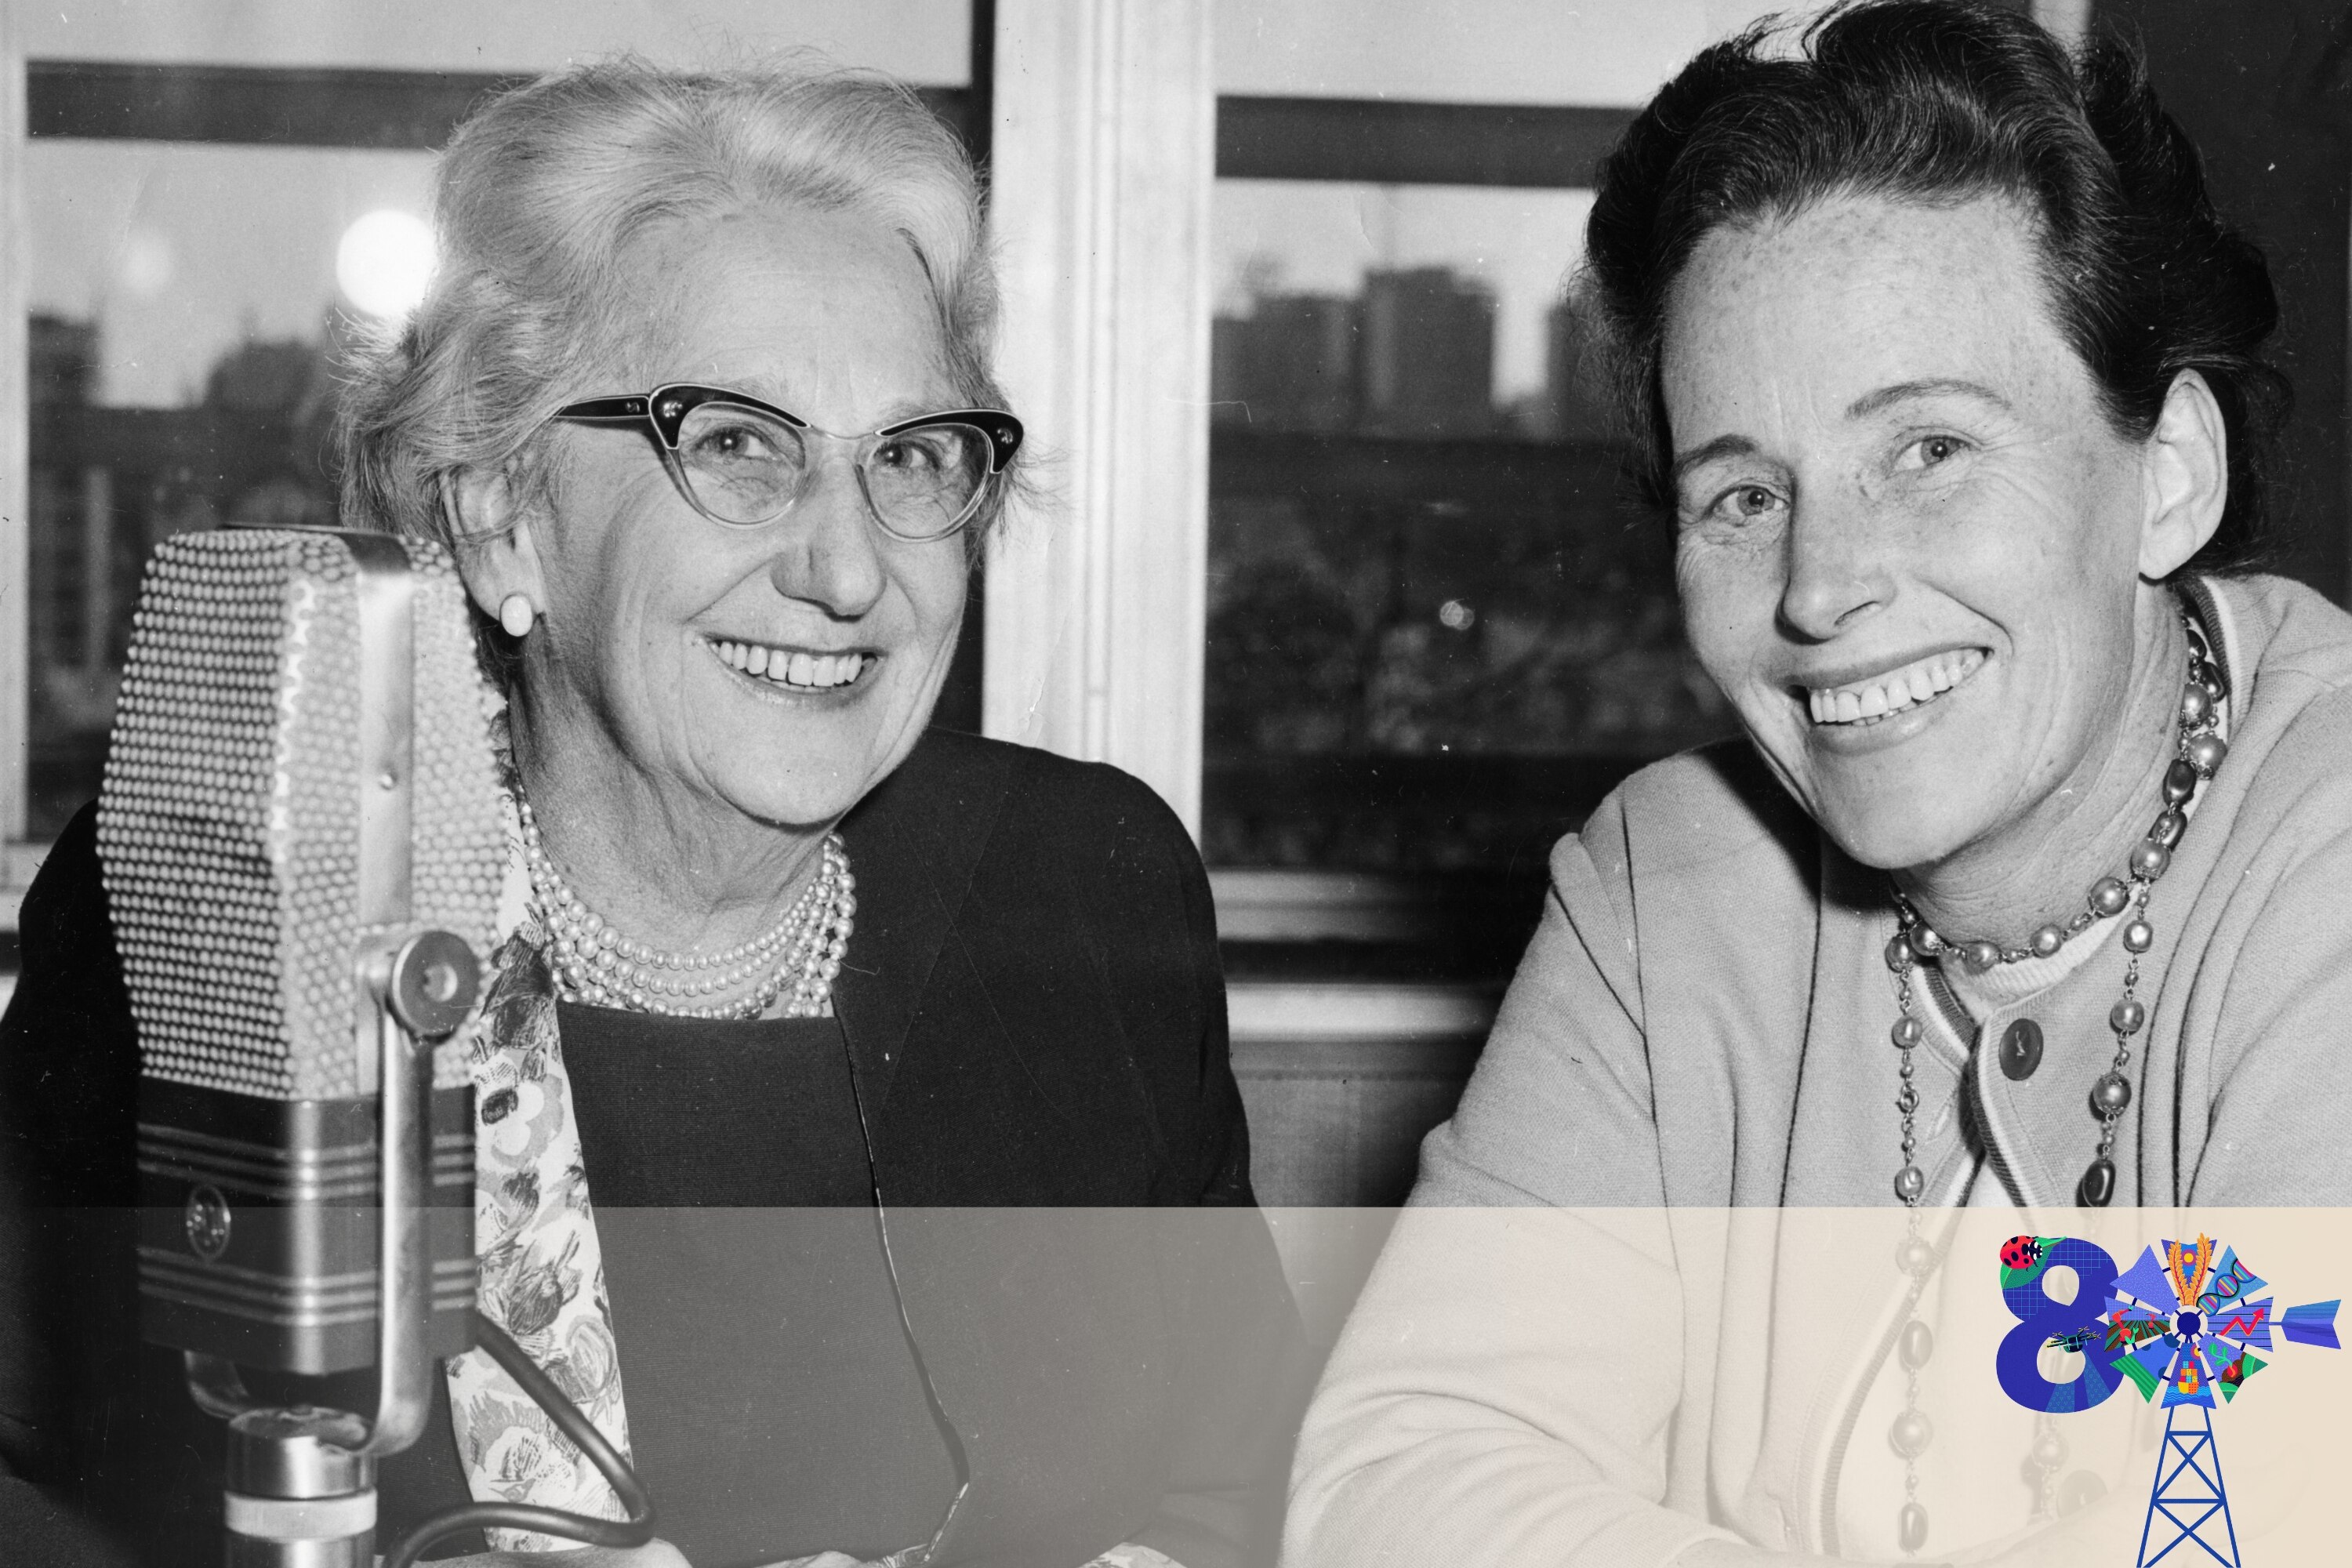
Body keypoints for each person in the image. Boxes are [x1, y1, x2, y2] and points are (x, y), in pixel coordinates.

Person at [0, 58, 1305, 1568]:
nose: (847, 568)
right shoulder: (254, 897)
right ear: (503, 510)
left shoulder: (1084, 887)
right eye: (738, 445)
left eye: (912, 457)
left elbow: (1253, 1497)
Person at [1287, 3, 2352, 1565]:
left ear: (2170, 476)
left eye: (1927, 449)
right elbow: (1394, 1478)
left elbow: (2268, 1518)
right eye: (1742, 493)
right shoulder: (1667, 884)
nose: (1821, 586)